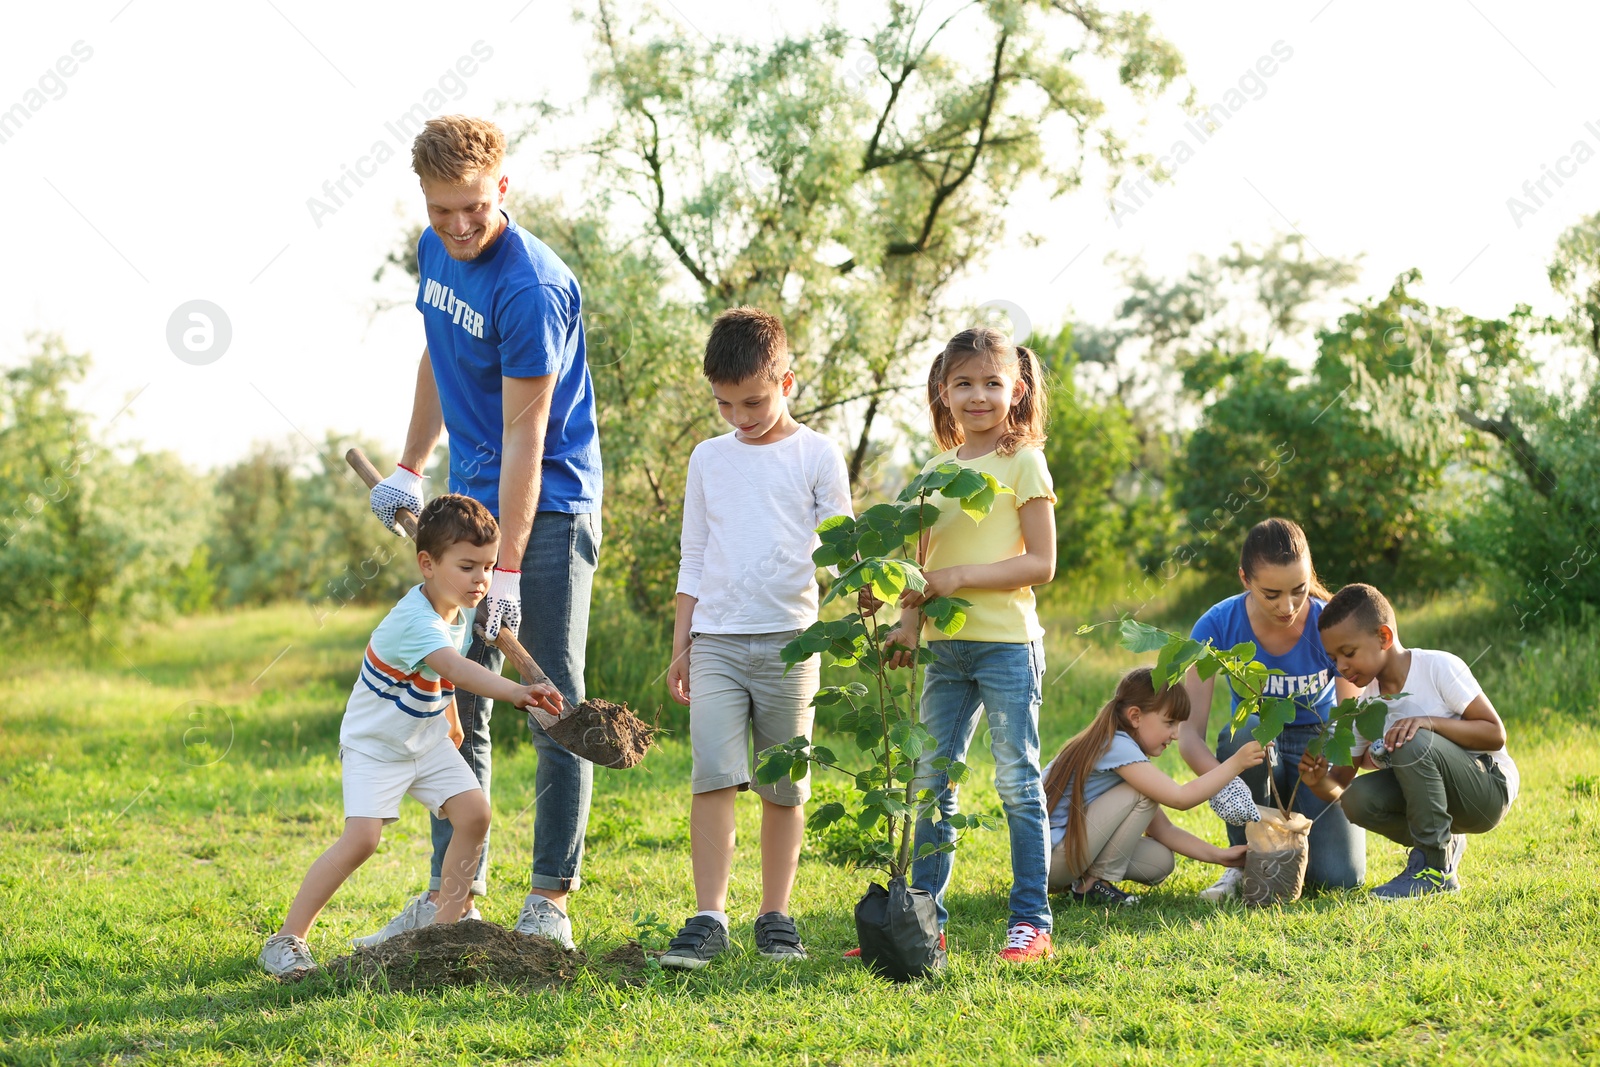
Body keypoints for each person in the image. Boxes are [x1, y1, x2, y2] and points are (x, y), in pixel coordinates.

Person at [364, 115, 602, 949]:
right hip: (469, 496)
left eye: (472, 207)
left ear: (502, 187)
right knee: (454, 694)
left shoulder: (530, 287)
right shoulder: (435, 253)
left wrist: (501, 575)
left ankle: (549, 902)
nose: (458, 227)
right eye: (440, 211)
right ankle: (451, 899)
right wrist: (408, 463)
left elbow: (527, 441)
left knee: (550, 696)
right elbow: (437, 348)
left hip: (550, 500)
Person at [259, 496, 561, 978]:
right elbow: (454, 668)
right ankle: (286, 939)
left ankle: (444, 934)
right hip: (376, 746)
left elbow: (435, 680)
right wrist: (517, 692)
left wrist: (451, 720)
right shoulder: (415, 620)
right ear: (427, 563)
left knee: (475, 814)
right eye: (467, 567)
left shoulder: (453, 613)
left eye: (487, 567)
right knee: (362, 840)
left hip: (426, 738)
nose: (481, 580)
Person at [657, 307, 853, 970]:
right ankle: (710, 915)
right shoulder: (708, 458)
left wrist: (867, 585)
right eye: (724, 404)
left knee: (783, 785)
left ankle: (775, 915)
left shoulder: (817, 454)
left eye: (753, 401)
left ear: (788, 382)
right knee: (713, 774)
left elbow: (841, 543)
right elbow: (694, 551)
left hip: (791, 642)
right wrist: (681, 642)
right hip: (714, 639)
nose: (738, 416)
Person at [873, 326, 1058, 962]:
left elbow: (1042, 563)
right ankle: (922, 920)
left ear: (1017, 390)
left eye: (992, 383)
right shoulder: (934, 472)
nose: (978, 396)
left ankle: (1032, 920)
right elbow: (923, 564)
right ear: (943, 393)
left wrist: (959, 579)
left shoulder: (1023, 462)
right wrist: (908, 623)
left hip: (1005, 645)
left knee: (1016, 781)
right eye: (964, 384)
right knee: (932, 783)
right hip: (945, 653)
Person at [1177, 517, 1364, 901]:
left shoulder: (1330, 619)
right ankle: (1242, 864)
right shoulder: (1217, 625)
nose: (1288, 606)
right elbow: (1189, 736)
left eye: (1298, 590)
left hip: (1318, 752)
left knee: (1339, 879)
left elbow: (1349, 721)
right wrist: (1230, 789)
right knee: (1241, 734)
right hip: (1255, 750)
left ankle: (1292, 842)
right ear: (1245, 578)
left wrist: (1332, 778)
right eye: (1272, 593)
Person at [1300, 582, 1517, 899]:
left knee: (1409, 737)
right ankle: (1444, 846)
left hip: (1487, 789)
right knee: (1358, 799)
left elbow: (1494, 733)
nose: (1341, 666)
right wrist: (1317, 781)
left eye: (1348, 653)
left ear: (1383, 637)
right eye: (1333, 657)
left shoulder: (1437, 667)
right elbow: (1342, 786)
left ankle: (1433, 870)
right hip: (1441, 801)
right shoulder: (1366, 707)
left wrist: (1428, 723)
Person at [1042, 667, 1259, 906]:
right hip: (1050, 862)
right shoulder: (1116, 746)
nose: (1175, 734)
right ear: (1135, 716)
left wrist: (1220, 856)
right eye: (1169, 722)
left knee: (1159, 862)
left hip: (1058, 858)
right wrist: (1235, 764)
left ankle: (1085, 879)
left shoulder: (1118, 747)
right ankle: (1094, 885)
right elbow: (1179, 798)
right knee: (1142, 794)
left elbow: (1163, 830)